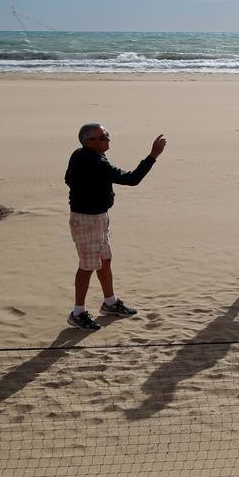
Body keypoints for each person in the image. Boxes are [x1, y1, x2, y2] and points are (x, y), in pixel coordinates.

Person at [64, 123, 167, 330]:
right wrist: (153, 156)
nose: (108, 139)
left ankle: (110, 302)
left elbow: (68, 179)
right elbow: (132, 179)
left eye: (107, 135)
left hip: (98, 217)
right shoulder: (94, 161)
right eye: (103, 136)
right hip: (87, 220)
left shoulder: (80, 154)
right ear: (89, 141)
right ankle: (78, 312)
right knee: (87, 266)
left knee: (104, 259)